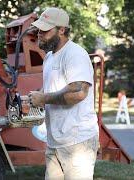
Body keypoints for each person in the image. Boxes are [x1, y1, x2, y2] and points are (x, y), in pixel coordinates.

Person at [28, 7, 100, 180]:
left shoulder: (75, 54)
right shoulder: (49, 57)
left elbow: (78, 92)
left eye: (45, 30)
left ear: (61, 30)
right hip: (55, 141)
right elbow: (51, 89)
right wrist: (33, 98)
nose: (39, 34)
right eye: (39, 30)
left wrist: (44, 98)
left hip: (77, 143)